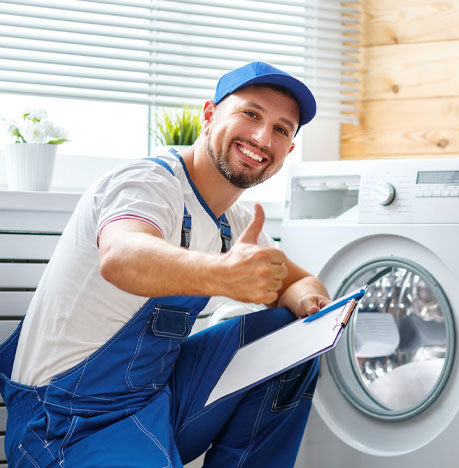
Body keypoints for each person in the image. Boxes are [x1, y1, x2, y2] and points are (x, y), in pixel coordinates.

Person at [0, 62, 331, 468]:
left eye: (281, 129)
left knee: (292, 342)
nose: (263, 137)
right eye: (251, 114)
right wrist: (224, 274)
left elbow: (298, 282)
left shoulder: (237, 221)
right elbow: (122, 256)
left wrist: (311, 304)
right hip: (64, 423)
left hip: (152, 401)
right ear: (209, 116)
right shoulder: (147, 184)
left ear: (288, 151)